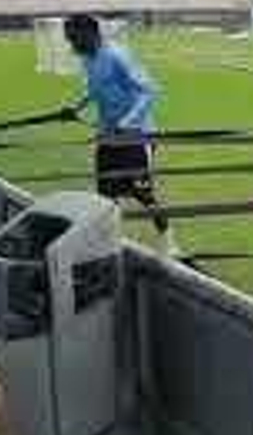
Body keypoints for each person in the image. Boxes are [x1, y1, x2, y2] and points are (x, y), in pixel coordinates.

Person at [61, 14, 180, 257]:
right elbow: (95, 89)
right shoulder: (87, 59)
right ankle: (110, 243)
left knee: (142, 192)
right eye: (69, 39)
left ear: (91, 35)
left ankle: (170, 243)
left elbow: (149, 91)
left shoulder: (118, 56)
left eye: (74, 39)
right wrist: (76, 106)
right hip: (107, 135)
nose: (71, 45)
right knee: (105, 195)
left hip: (137, 135)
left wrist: (127, 123)